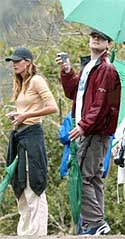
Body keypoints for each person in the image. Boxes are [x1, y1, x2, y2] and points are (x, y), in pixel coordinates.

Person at [56, 29, 121, 235]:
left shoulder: (107, 70)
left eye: (101, 37)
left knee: (81, 176)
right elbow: (72, 92)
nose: (95, 39)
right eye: (93, 36)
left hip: (95, 131)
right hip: (90, 130)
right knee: (93, 178)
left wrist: (83, 125)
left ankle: (95, 222)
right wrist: (67, 70)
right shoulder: (89, 68)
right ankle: (96, 225)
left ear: (108, 44)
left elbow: (101, 105)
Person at [5, 47, 58, 236]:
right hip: (20, 136)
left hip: (32, 137)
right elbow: (26, 109)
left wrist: (26, 115)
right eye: (12, 61)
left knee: (33, 186)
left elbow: (52, 107)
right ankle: (25, 233)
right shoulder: (21, 83)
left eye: (18, 61)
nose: (14, 64)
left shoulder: (36, 80)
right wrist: (18, 114)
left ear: (28, 62)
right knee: (20, 188)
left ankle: (37, 233)